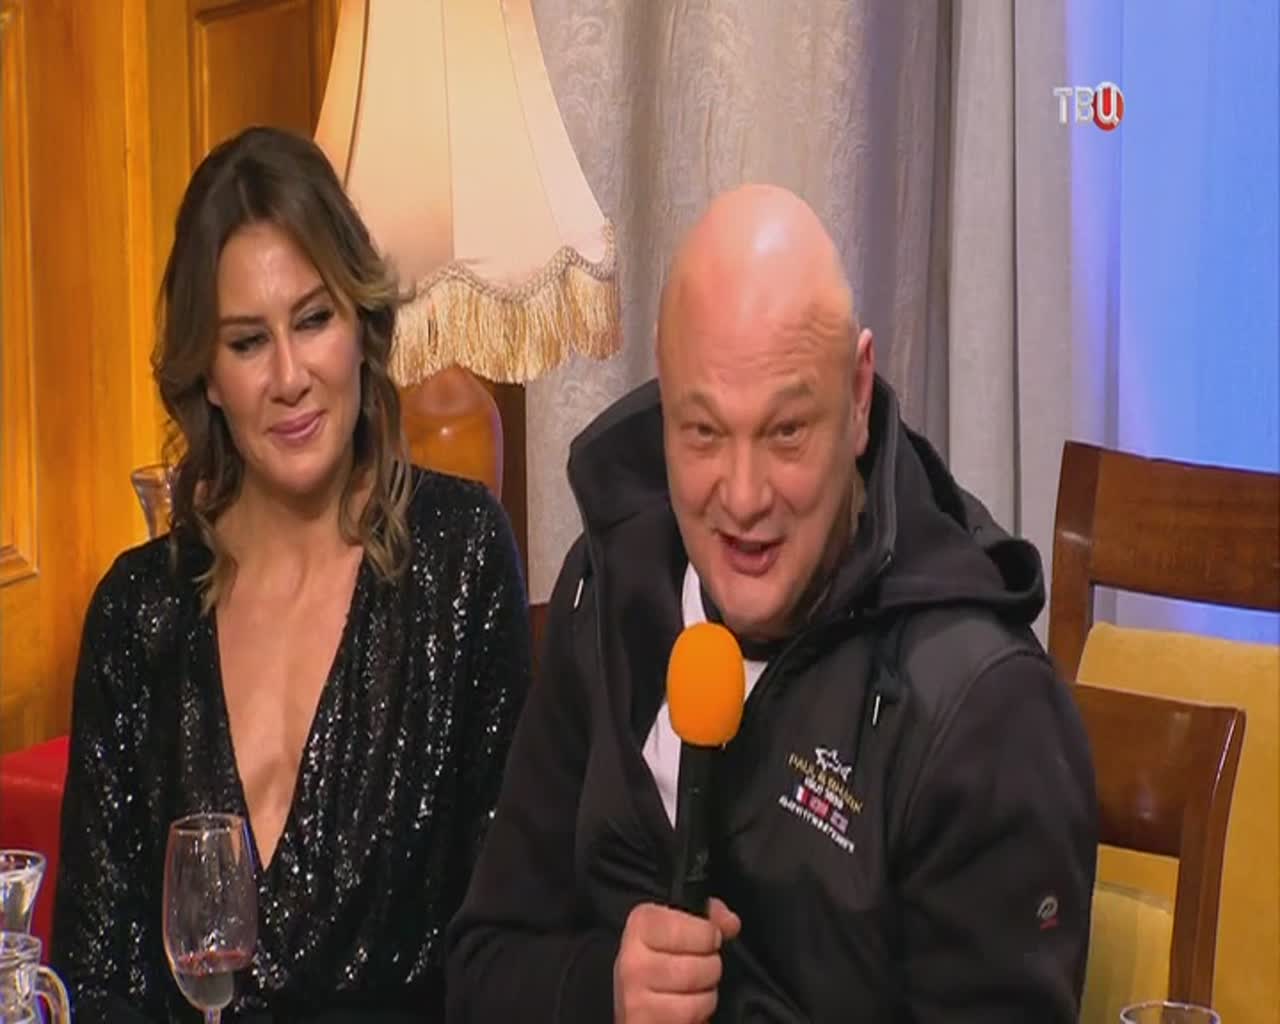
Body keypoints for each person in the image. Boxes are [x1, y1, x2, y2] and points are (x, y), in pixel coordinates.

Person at [447, 184, 1097, 1022]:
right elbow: (483, 966)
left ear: (857, 397)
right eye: (704, 432)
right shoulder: (606, 592)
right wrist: (606, 989)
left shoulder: (981, 709)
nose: (744, 497)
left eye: (785, 431)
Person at [52, 126, 530, 1022]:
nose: (289, 377)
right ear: (208, 376)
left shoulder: (459, 558)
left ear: (361, 326)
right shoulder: (137, 612)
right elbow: (92, 980)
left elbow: (508, 947)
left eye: (313, 320)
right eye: (246, 342)